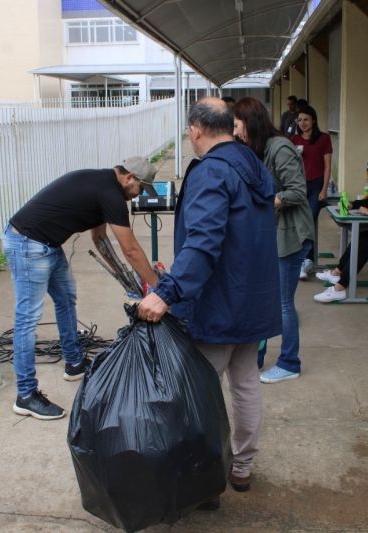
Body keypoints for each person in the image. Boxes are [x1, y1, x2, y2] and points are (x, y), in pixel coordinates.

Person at [137, 97, 281, 503]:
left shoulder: (211, 172)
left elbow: (204, 241)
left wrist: (167, 293)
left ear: (196, 129)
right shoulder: (253, 167)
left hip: (219, 302)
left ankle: (206, 476)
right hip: (253, 300)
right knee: (246, 382)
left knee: (199, 392)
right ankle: (242, 467)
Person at [4, 157, 160, 420]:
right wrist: (157, 289)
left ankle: (74, 363)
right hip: (27, 243)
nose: (139, 196)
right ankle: (26, 395)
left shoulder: (104, 186)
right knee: (27, 320)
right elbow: (131, 249)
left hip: (48, 245)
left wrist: (127, 280)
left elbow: (99, 239)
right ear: (130, 177)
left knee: (67, 299)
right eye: (141, 189)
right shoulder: (110, 193)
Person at [232, 97, 314, 383]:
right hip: (271, 235)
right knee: (267, 299)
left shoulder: (280, 148)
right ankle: (255, 358)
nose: (235, 132)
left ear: (250, 122)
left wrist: (267, 201)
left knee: (282, 303)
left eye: (237, 125)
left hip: (290, 235)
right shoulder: (256, 148)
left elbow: (298, 192)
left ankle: (290, 362)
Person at [313, 183, 368, 303]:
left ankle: (340, 288)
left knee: (363, 246)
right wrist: (353, 204)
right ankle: (337, 272)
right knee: (360, 238)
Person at [291, 105, 333, 280]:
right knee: (298, 222)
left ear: (313, 120)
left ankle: (306, 260)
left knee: (308, 220)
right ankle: (303, 259)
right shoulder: (293, 139)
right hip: (299, 185)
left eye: (306, 119)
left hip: (316, 185)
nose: (302, 123)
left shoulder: (323, 138)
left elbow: (327, 166)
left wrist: (324, 190)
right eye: (299, 120)